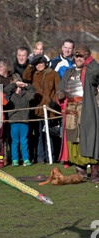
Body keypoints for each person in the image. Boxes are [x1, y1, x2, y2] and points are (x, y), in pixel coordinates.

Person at [56, 44, 99, 182]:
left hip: (87, 110)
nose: (78, 58)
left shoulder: (90, 71)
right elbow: (61, 88)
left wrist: (89, 59)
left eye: (81, 55)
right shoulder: (69, 72)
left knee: (90, 139)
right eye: (76, 55)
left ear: (86, 56)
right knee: (73, 141)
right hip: (71, 111)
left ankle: (94, 173)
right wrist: (60, 94)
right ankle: (80, 172)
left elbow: (96, 71)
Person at [23, 55, 60, 163]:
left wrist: (54, 101)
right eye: (37, 64)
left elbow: (58, 89)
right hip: (37, 109)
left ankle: (50, 156)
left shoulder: (53, 73)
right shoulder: (34, 74)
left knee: (50, 134)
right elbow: (25, 77)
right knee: (38, 135)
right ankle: (40, 157)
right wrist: (30, 65)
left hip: (49, 109)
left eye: (41, 63)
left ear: (45, 63)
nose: (39, 65)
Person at [4, 74, 36, 166]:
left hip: (24, 122)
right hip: (13, 122)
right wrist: (14, 84)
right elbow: (6, 90)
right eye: (16, 85)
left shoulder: (26, 95)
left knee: (24, 141)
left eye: (19, 85)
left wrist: (25, 85)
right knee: (15, 142)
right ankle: (15, 160)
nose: (18, 87)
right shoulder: (10, 95)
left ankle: (26, 159)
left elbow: (33, 90)